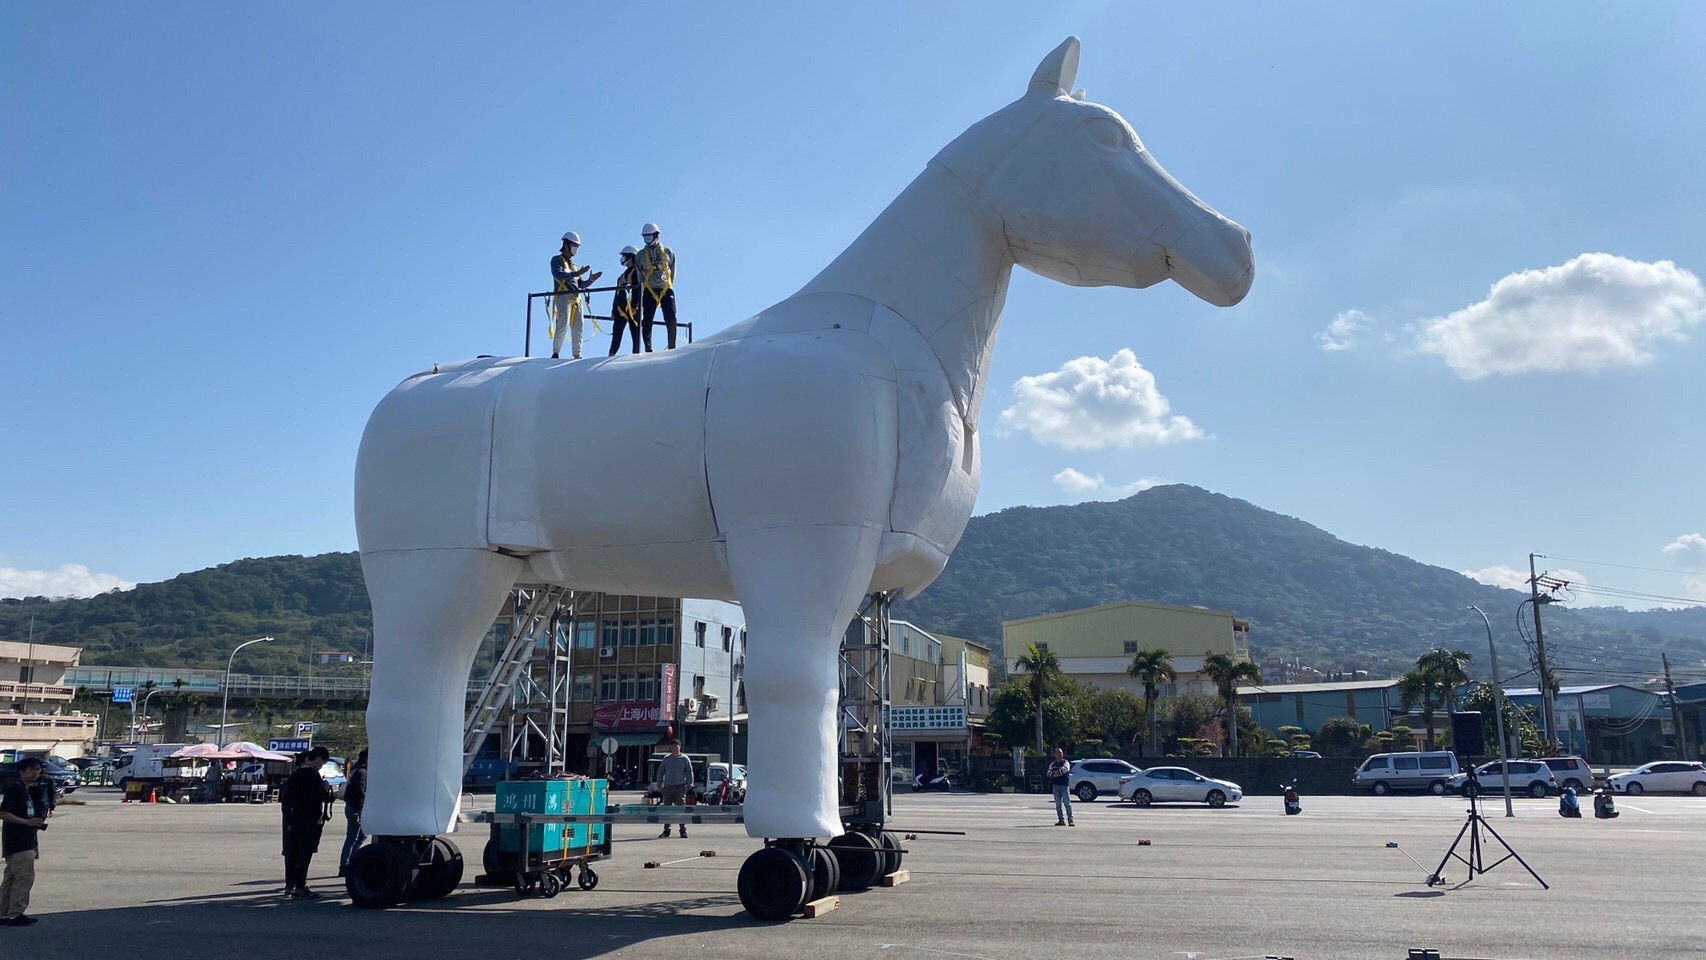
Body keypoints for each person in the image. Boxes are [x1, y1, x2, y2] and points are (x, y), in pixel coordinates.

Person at [1, 757, 49, 927]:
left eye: (38, 769)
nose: (36, 773)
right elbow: (4, 813)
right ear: (22, 771)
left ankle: (4, 912)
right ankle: (16, 913)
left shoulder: (30, 789)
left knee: (12, 877)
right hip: (18, 839)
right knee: (24, 877)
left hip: (25, 837)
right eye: (32, 769)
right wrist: (26, 822)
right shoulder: (16, 789)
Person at [280, 746, 333, 899]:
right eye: (322, 763)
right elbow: (318, 797)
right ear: (318, 759)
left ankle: (289, 885)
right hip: (308, 820)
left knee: (292, 853)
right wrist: (326, 789)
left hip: (293, 819)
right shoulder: (312, 775)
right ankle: (300, 886)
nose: (321, 766)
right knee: (305, 853)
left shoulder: (295, 775)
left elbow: (287, 798)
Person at [549, 232, 602, 360]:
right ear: (566, 245)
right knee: (563, 323)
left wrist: (590, 280)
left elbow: (580, 284)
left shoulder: (574, 265)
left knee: (578, 325)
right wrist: (577, 273)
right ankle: (556, 353)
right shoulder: (557, 260)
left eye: (577, 246)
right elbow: (558, 274)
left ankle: (577, 354)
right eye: (574, 245)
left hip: (576, 298)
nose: (576, 249)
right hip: (563, 295)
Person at [635, 222, 679, 350]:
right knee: (647, 319)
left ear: (656, 235)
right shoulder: (640, 255)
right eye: (645, 236)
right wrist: (643, 289)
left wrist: (668, 285)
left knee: (670, 318)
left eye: (649, 235)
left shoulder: (668, 252)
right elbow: (639, 274)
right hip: (649, 289)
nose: (647, 238)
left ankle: (672, 346)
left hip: (666, 288)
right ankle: (648, 348)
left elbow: (672, 270)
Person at [608, 246, 643, 356]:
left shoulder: (637, 273)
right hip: (620, 309)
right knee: (616, 333)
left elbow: (638, 291)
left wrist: (634, 306)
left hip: (633, 309)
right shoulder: (621, 277)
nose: (623, 258)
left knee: (635, 333)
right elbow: (617, 294)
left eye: (625, 256)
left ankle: (636, 355)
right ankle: (611, 354)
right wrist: (613, 311)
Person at [338, 749, 368, 877]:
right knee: (354, 837)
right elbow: (361, 790)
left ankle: (348, 863)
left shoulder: (356, 769)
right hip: (357, 808)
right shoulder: (362, 772)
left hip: (352, 806)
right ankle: (346, 864)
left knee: (358, 836)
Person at [657, 740, 693, 838]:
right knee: (667, 810)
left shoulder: (685, 758)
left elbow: (689, 772)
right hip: (668, 787)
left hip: (680, 787)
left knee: (681, 809)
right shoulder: (666, 759)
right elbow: (661, 772)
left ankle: (683, 830)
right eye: (672, 746)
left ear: (679, 747)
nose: (674, 748)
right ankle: (666, 830)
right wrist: (659, 785)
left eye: (676, 746)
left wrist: (689, 785)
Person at [1048, 748, 1074, 826]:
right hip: (1055, 786)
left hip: (1064, 785)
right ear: (1055, 755)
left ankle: (1070, 820)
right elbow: (1049, 773)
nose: (1059, 754)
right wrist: (1057, 773)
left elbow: (1065, 770)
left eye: (1061, 753)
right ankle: (1061, 820)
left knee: (1067, 803)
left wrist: (1056, 773)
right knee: (1058, 804)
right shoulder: (1053, 764)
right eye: (1057, 753)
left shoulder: (1065, 762)